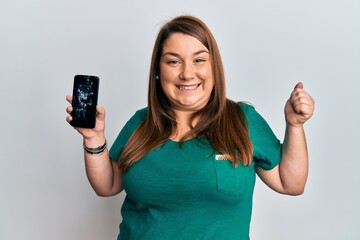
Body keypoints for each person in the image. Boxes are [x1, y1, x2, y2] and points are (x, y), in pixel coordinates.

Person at [66, 15, 315, 240]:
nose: (187, 73)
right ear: (157, 71)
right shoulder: (140, 124)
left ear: (213, 68)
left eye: (199, 60)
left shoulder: (242, 120)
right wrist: (93, 138)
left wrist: (294, 125)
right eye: (173, 61)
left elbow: (290, 183)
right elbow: (108, 185)